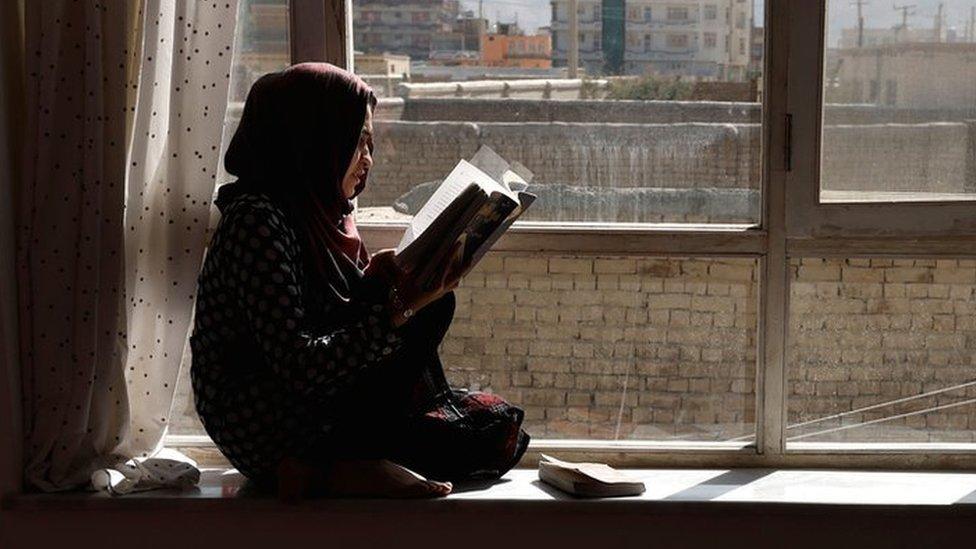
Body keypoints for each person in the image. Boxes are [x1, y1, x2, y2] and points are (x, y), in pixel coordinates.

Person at [189, 63, 527, 499]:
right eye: (359, 142)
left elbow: (332, 316)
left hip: (326, 406)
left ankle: (346, 461)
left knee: (492, 431)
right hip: (268, 418)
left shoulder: (325, 211)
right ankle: (332, 469)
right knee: (460, 422)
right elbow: (299, 365)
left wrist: (376, 280)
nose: (368, 158)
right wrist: (401, 308)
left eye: (371, 143)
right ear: (316, 140)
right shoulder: (257, 220)